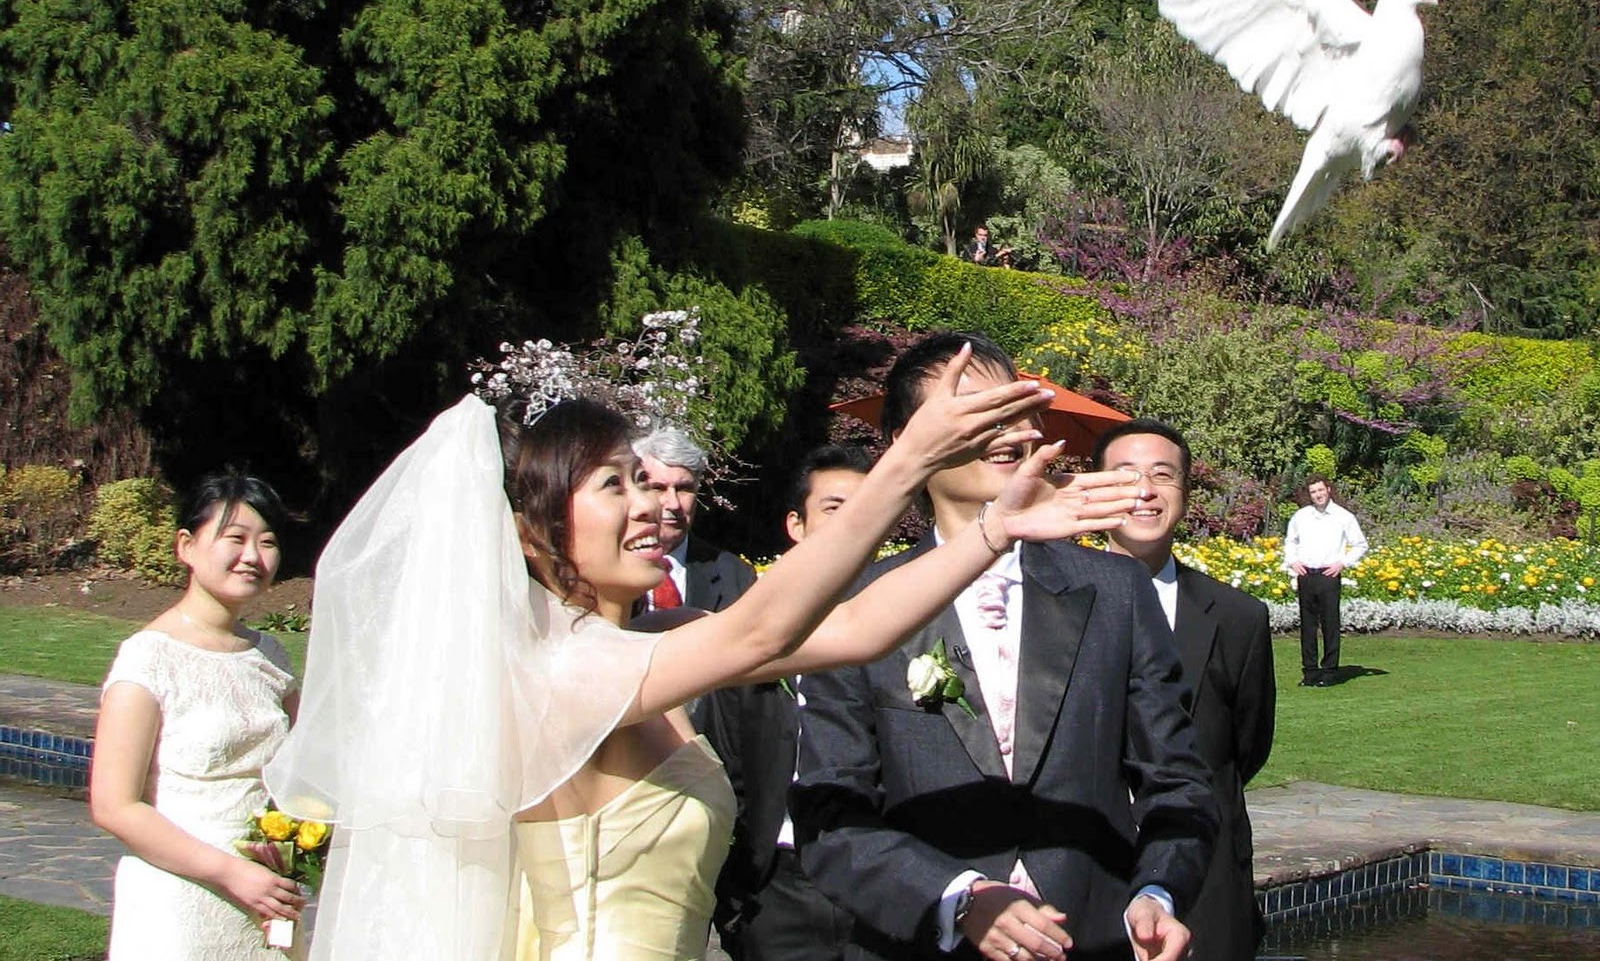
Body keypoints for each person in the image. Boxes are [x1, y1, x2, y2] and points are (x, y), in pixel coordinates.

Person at [265, 345, 1143, 960]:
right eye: (616, 485)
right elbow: (763, 626)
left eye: (650, 481)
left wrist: (994, 529)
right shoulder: (556, 672)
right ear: (533, 531)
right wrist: (908, 457)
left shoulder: (645, 642)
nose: (653, 505)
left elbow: (851, 630)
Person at [791, 331, 1217, 961]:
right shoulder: (854, 609)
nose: (1009, 430)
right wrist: (955, 896)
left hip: (1095, 937)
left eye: (1017, 410)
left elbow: (1178, 780)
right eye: (976, 412)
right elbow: (830, 811)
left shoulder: (1114, 590)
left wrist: (1158, 888)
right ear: (907, 443)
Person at [90, 473, 304, 961]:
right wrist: (231, 873)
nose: (253, 556)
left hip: (267, 900)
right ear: (186, 546)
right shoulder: (148, 659)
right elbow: (113, 805)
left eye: (267, 543)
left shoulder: (271, 657)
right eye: (236, 539)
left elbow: (301, 768)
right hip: (181, 899)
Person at [1093, 419, 1276, 961]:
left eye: (1162, 475)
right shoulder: (1050, 606)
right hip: (1087, 872)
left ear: (1185, 493)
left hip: (1209, 876)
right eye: (1125, 476)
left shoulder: (1239, 617)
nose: (1145, 491)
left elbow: (1248, 744)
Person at [703, 443, 873, 961]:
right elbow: (725, 760)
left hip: (884, 879)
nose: (854, 525)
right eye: (835, 509)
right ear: (796, 524)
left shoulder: (912, 625)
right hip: (777, 888)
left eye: (870, 510)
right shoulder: (750, 629)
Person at [633, 424, 755, 613]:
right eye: (658, 488)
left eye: (684, 489)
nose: (673, 504)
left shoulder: (735, 576)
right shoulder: (606, 570)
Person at [1281, 476, 1367, 687]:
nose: (1318, 495)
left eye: (1320, 490)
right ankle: (1309, 672)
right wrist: (1292, 561)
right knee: (1307, 626)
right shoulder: (1301, 516)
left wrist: (1342, 563)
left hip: (1329, 575)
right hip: (1306, 575)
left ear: (1328, 490)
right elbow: (1290, 541)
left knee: (1330, 624)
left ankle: (1329, 671)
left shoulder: (1343, 517)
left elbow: (1360, 544)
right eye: (1313, 492)